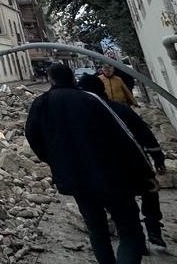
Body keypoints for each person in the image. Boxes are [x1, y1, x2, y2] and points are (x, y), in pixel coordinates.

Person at [25, 64, 155, 264]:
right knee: (129, 230)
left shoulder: (42, 103)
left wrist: (55, 160)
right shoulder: (91, 100)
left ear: (50, 79)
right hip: (111, 176)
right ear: (72, 78)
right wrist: (145, 172)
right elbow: (124, 137)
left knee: (96, 229)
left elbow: (33, 137)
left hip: (76, 179)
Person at [79, 74, 167, 252]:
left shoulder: (89, 115)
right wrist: (158, 159)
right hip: (134, 165)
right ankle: (152, 230)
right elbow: (145, 135)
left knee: (129, 205)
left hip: (109, 170)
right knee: (149, 194)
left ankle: (141, 238)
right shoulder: (118, 110)